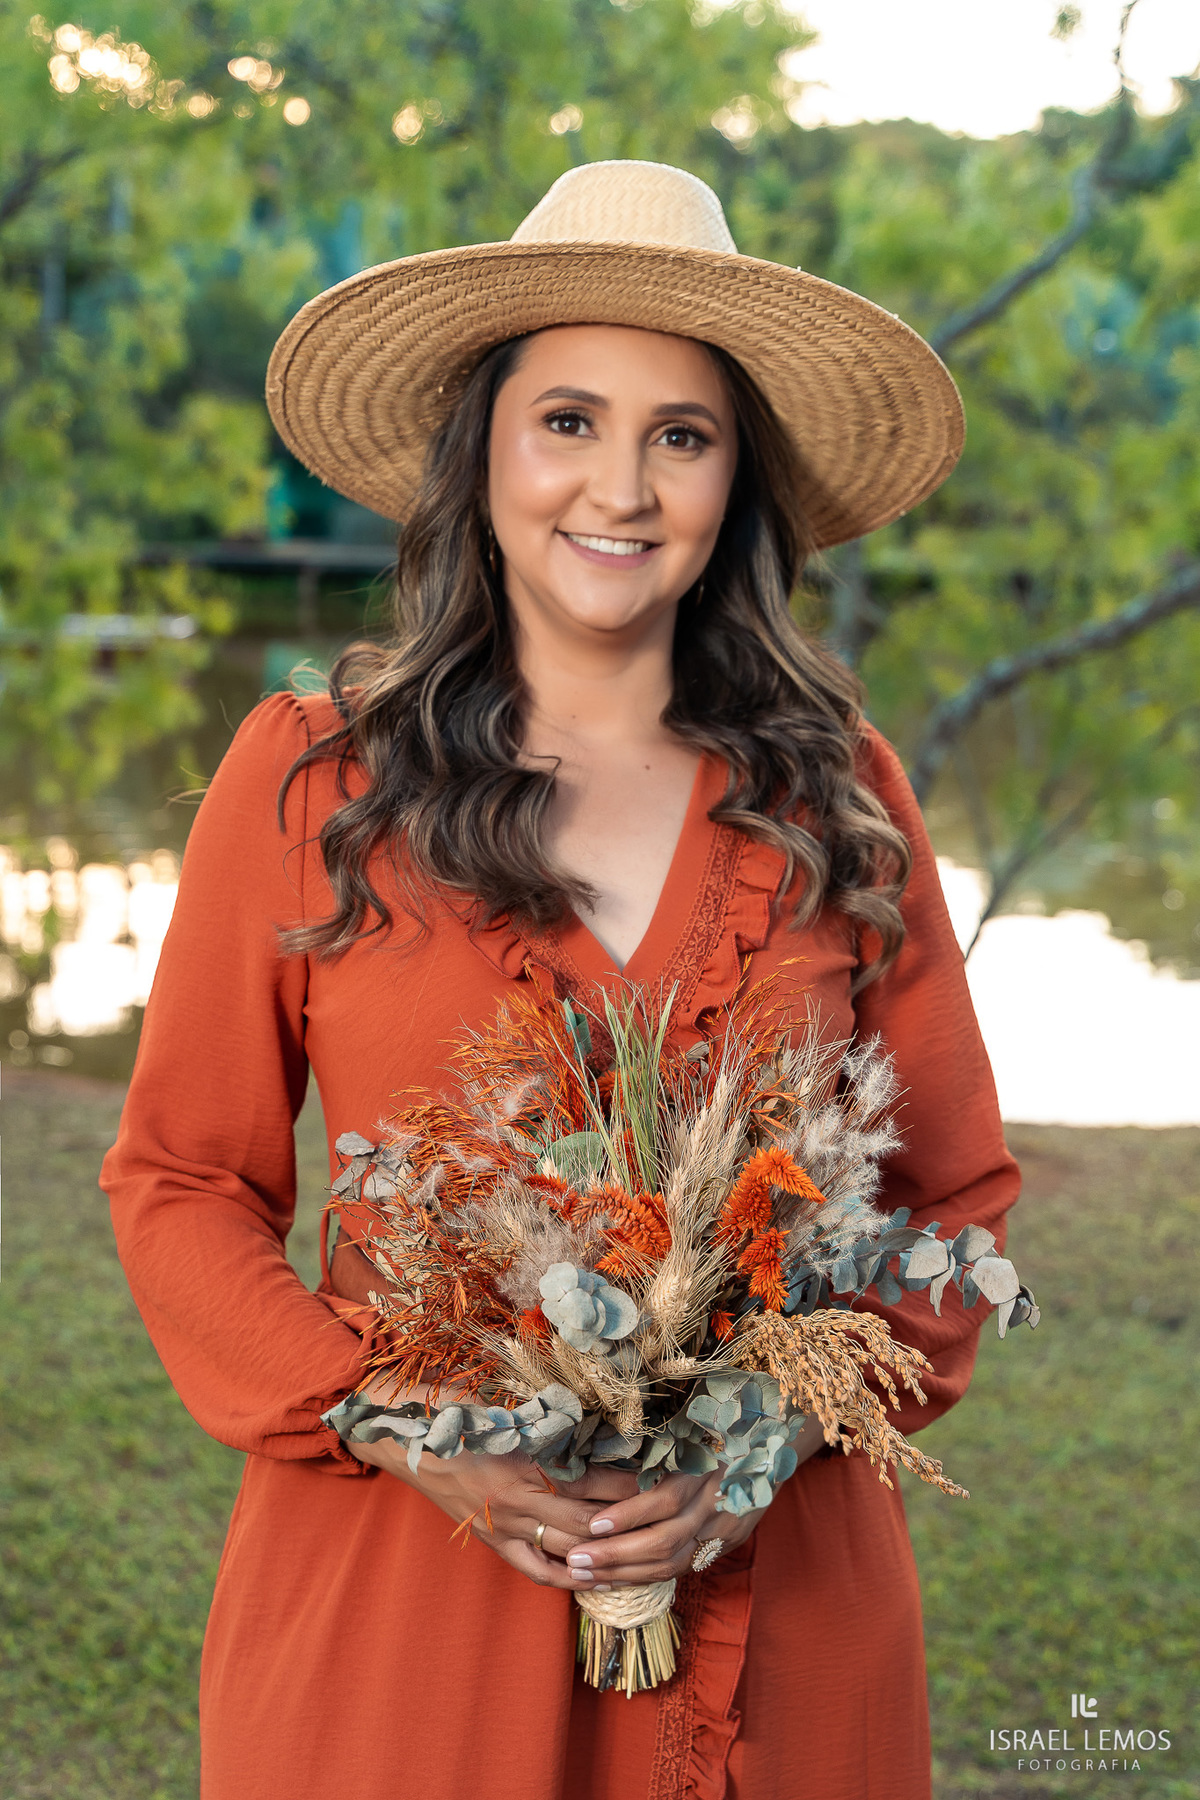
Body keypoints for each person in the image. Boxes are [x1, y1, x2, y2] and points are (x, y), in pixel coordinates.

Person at [102, 160, 1019, 1800]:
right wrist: (398, 1420)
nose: (623, 485)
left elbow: (952, 1197)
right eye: (569, 421)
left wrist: (761, 1444)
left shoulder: (839, 796)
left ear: (735, 481)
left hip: (782, 1625)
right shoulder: (316, 782)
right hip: (404, 1632)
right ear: (484, 453)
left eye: (683, 435)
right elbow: (181, 1180)